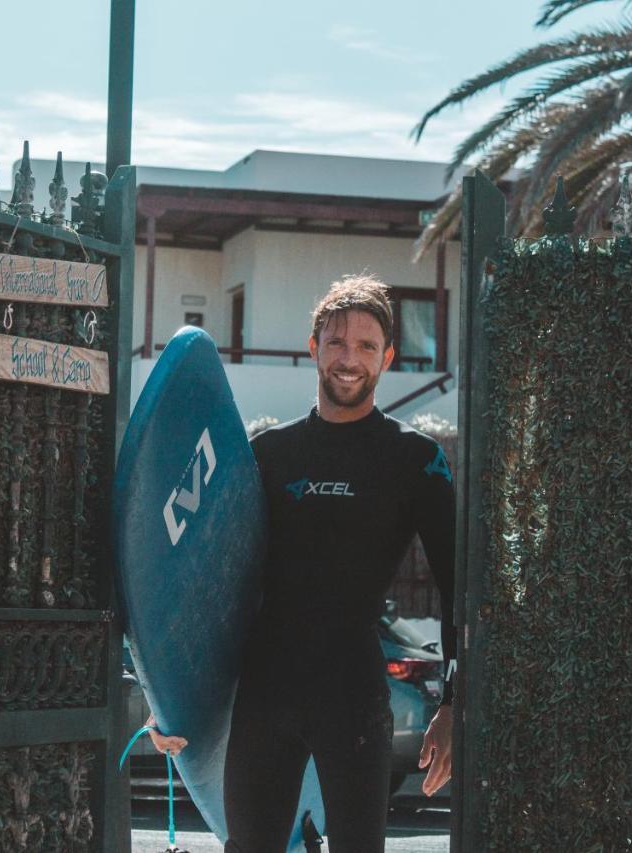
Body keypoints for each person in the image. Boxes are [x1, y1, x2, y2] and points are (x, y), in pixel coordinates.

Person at [146, 275, 456, 852]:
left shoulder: (416, 461)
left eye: (366, 347)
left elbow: (457, 589)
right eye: (337, 343)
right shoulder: (267, 453)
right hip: (265, 694)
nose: (349, 360)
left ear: (387, 357)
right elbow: (206, 581)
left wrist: (455, 705)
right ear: (313, 348)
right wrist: (168, 698)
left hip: (354, 697)